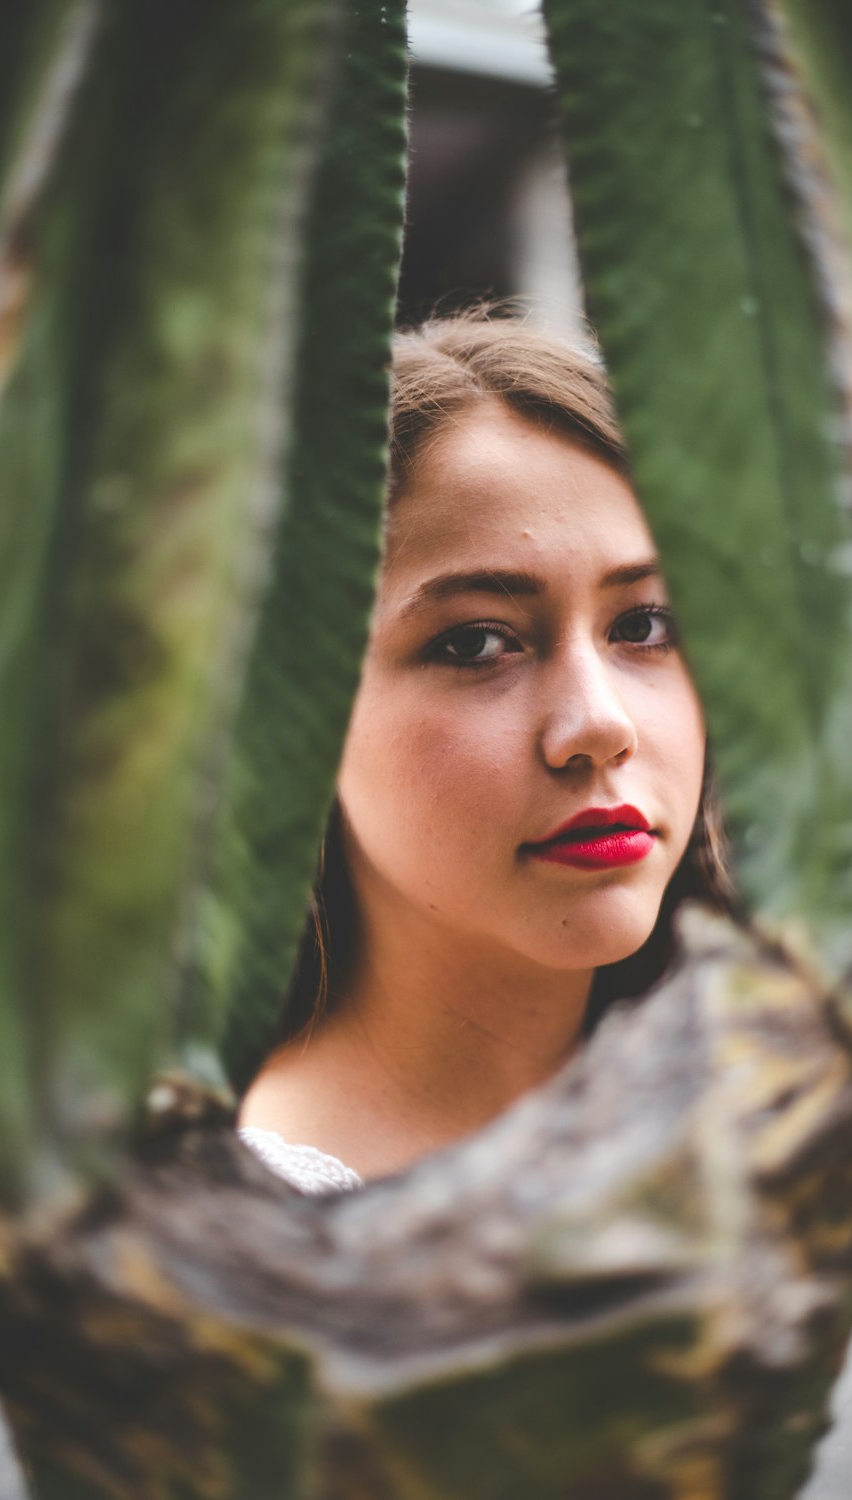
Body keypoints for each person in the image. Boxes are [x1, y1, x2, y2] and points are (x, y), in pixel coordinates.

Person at [238, 310, 729, 1193]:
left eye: (643, 625)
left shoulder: (735, 1131)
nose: (599, 724)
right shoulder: (235, 1247)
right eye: (476, 644)